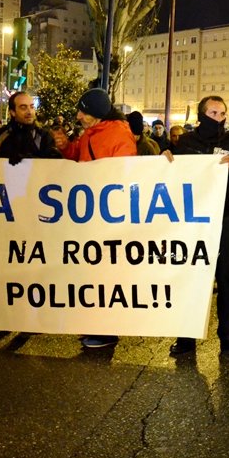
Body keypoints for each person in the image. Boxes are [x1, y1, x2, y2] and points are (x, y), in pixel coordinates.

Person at [167, 96, 229, 359]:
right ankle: (186, 338)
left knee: (225, 281)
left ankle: (228, 341)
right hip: (192, 222)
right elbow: (172, 176)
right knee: (191, 280)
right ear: (202, 115)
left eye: (222, 113)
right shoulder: (187, 143)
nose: (218, 117)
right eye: (213, 112)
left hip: (224, 220)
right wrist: (164, 160)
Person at [65, 88, 138, 350]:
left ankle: (106, 330)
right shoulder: (92, 132)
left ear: (95, 114)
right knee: (91, 271)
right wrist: (64, 146)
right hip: (91, 214)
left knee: (104, 273)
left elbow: (122, 174)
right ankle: (94, 324)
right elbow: (78, 156)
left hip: (106, 217)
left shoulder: (117, 134)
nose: (78, 115)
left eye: (82, 111)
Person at [0, 92, 60, 162]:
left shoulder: (44, 137)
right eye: (23, 108)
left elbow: (53, 165)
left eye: (32, 107)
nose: (29, 112)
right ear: (13, 112)